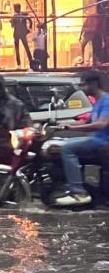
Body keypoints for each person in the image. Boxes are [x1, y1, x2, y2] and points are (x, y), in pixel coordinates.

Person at [55, 70, 109, 206]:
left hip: (103, 142)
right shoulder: (98, 102)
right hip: (97, 141)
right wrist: (65, 123)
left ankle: (78, 191)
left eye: (83, 85)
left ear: (94, 84)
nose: (81, 89)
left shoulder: (106, 101)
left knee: (68, 148)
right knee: (59, 144)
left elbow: (101, 124)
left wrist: (72, 128)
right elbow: (85, 121)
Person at [11, 4, 33, 69]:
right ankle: (18, 64)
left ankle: (31, 61)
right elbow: (12, 25)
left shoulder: (23, 14)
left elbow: (30, 19)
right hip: (17, 34)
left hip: (22, 33)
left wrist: (29, 28)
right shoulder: (14, 16)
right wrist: (12, 23)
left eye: (15, 8)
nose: (15, 9)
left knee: (27, 48)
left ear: (18, 8)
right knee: (17, 49)